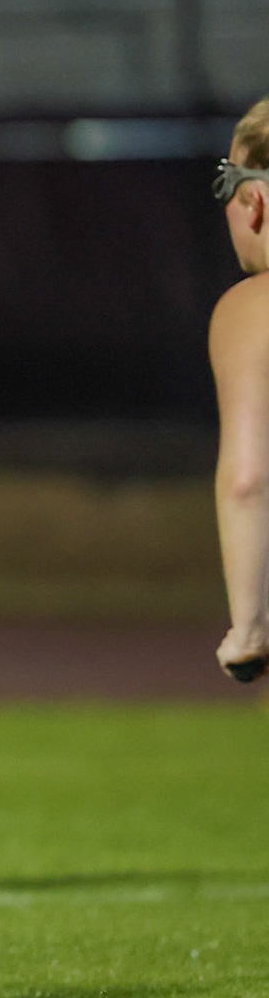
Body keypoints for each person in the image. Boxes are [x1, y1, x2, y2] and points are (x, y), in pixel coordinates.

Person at [211, 97, 269, 683]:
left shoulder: (251, 311)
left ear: (256, 202)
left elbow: (248, 481)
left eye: (225, 185)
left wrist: (249, 631)